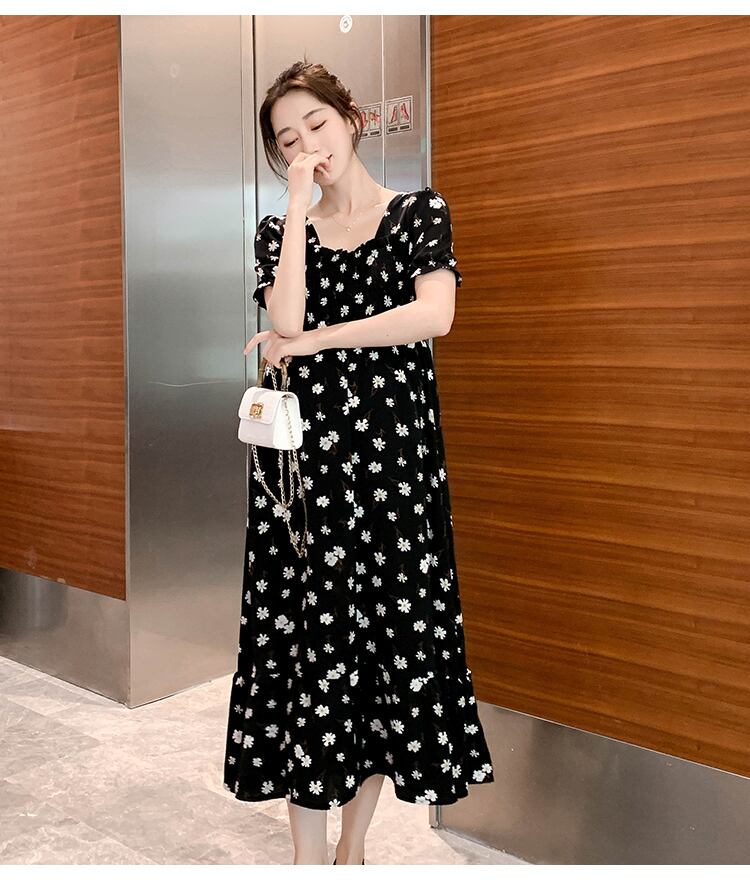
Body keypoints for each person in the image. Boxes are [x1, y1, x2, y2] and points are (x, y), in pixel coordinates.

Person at [223, 60, 495, 865]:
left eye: (316, 123)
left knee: (383, 648)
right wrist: (296, 206)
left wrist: (319, 342)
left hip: (394, 470)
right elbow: (285, 316)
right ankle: (310, 861)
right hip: (306, 475)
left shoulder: (418, 212)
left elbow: (434, 316)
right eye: (287, 140)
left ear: (352, 120)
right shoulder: (280, 230)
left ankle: (352, 850)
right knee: (309, 647)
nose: (306, 144)